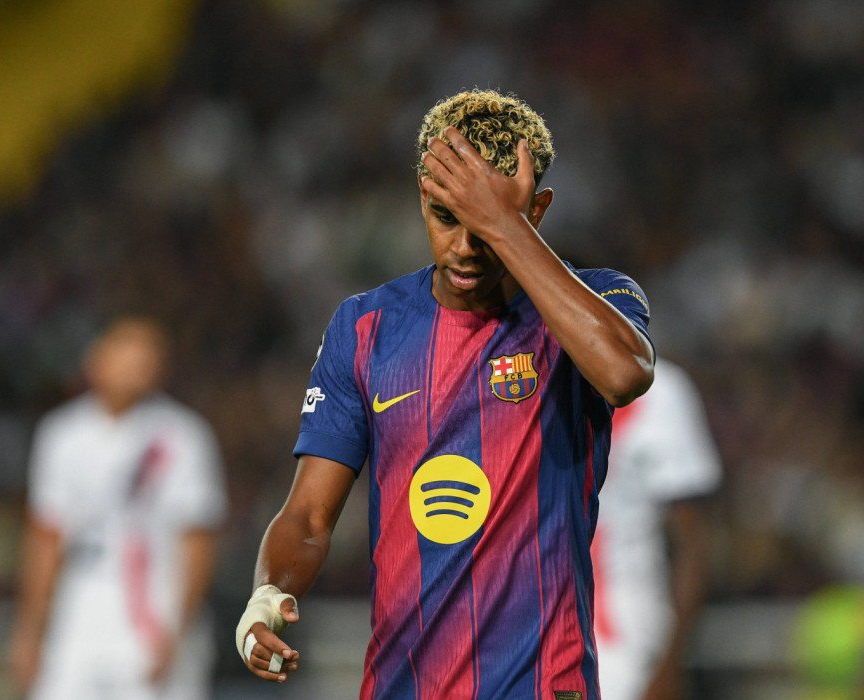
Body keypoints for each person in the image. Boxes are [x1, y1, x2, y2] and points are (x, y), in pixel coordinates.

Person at [236, 89, 656, 700]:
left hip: (543, 686)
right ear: (421, 197)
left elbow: (624, 374)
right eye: (445, 216)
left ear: (537, 211)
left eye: (483, 224)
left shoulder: (596, 300)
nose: (463, 246)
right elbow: (307, 515)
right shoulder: (365, 328)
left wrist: (506, 225)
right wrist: (266, 596)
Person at [10, 316, 227, 700]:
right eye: (126, 349)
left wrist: (180, 628)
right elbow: (46, 536)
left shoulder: (182, 435)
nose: (136, 364)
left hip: (152, 607)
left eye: (147, 355)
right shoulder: (62, 434)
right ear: (95, 359)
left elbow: (197, 541)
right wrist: (30, 629)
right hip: (78, 608)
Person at [592, 358, 720, 700]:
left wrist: (669, 665)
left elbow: (692, 546)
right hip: (539, 627)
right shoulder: (532, 376)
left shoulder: (661, 393)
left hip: (625, 640)